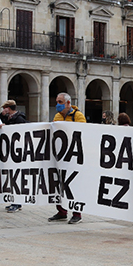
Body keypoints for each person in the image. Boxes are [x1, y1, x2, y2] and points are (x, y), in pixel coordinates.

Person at [49, 92, 86, 224]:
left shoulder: (78, 116)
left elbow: (83, 133)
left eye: (60, 102)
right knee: (59, 184)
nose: (57, 104)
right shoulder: (57, 116)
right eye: (57, 101)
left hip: (74, 157)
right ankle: (62, 211)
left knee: (74, 185)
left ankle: (77, 213)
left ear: (68, 103)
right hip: (60, 157)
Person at [0, 100, 28, 213]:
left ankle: (17, 202)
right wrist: (1, 116)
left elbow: (20, 133)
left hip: (17, 152)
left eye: (4, 108)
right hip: (9, 151)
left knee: (16, 177)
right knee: (11, 177)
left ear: (8, 108)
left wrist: (8, 128)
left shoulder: (19, 118)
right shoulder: (7, 118)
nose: (3, 110)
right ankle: (14, 201)